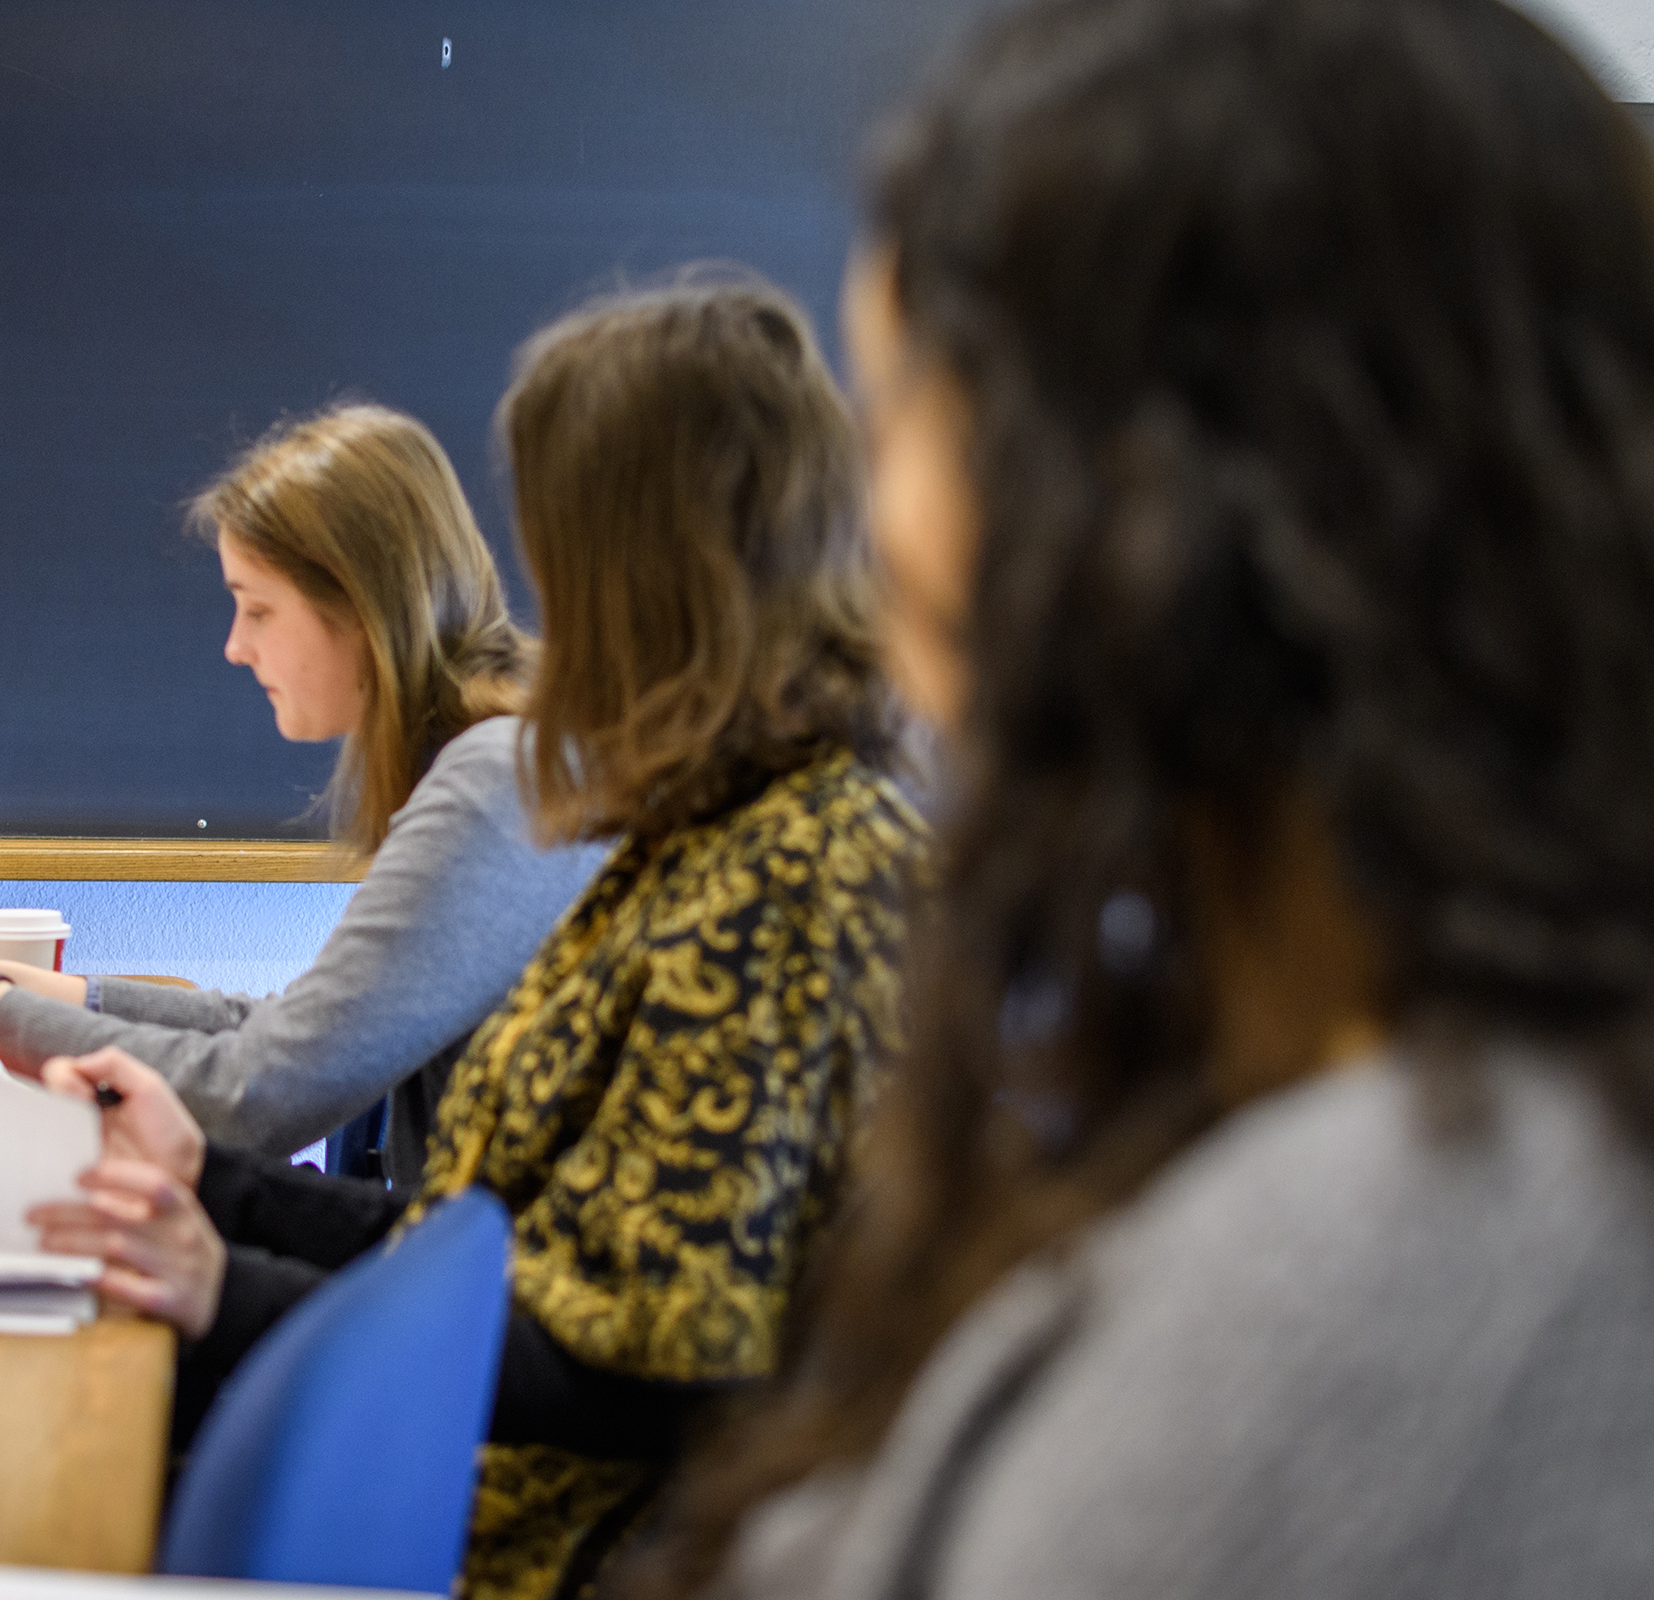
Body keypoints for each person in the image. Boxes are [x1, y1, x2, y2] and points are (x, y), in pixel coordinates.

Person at [613, 3, 1654, 1598]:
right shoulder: (1314, 1089)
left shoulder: (1363, 1298)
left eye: (897, 422)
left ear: (1125, 517)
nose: (872, 539)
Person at [0, 278, 925, 1600]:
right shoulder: (682, 831)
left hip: (542, 1546)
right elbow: (474, 1239)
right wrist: (214, 1187)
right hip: (467, 1484)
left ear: (653, 570)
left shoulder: (803, 868)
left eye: (566, 552)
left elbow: (630, 1369)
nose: (550, 612)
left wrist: (220, 1281)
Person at [0, 405, 610, 1184]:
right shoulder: (505, 757)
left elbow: (261, 1091)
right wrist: (38, 990)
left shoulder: (491, 785)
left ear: (362, 604)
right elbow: (288, 1028)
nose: (237, 646)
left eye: (260, 608)